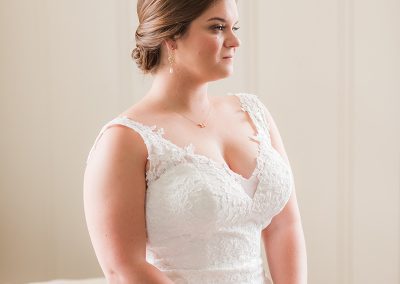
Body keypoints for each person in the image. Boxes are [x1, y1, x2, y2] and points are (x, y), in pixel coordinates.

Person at [83, 0, 308, 283]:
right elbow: (124, 267)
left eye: (234, 27)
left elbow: (284, 225)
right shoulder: (125, 140)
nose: (235, 41)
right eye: (217, 28)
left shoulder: (254, 113)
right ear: (170, 37)